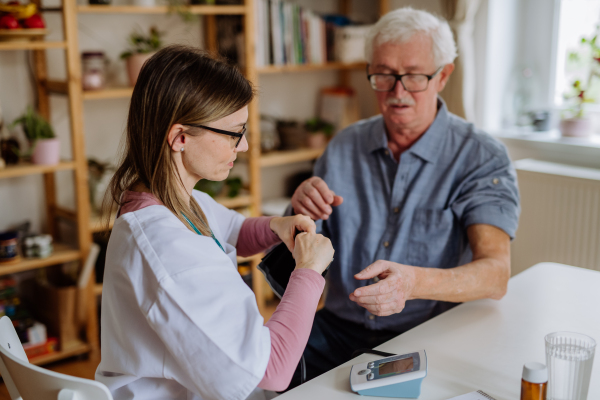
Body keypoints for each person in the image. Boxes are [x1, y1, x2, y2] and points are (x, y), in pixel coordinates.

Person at [288, 7, 520, 386]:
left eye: (413, 76)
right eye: (383, 75)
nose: (397, 92)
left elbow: (495, 274)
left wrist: (412, 284)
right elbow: (302, 249)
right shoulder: (344, 146)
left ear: (443, 75)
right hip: (336, 328)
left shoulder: (481, 156)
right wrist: (298, 212)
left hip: (425, 333)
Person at [95, 45, 334, 400]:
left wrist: (275, 227)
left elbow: (233, 231)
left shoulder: (171, 199)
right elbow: (273, 370)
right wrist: (309, 272)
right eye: (235, 133)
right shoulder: (168, 247)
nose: (245, 146)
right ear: (180, 138)